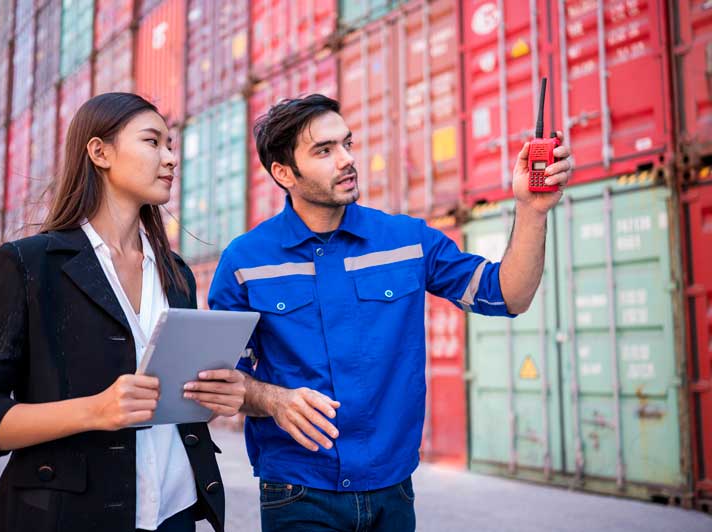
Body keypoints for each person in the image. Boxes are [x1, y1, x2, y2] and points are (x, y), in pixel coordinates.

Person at [198, 94, 573, 531]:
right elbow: (222, 383)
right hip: (297, 491)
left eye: (347, 144)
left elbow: (507, 296)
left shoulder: (406, 240)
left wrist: (531, 209)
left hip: (392, 492)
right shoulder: (245, 261)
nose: (346, 160)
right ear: (284, 173)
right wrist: (273, 399)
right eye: (324, 150)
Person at [0, 92, 246, 532]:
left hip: (175, 512)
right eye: (153, 142)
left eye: (171, 146)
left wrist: (214, 396)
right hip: (70, 516)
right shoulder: (29, 265)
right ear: (99, 151)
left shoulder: (175, 273)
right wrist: (95, 411)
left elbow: (176, 401)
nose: (170, 159)